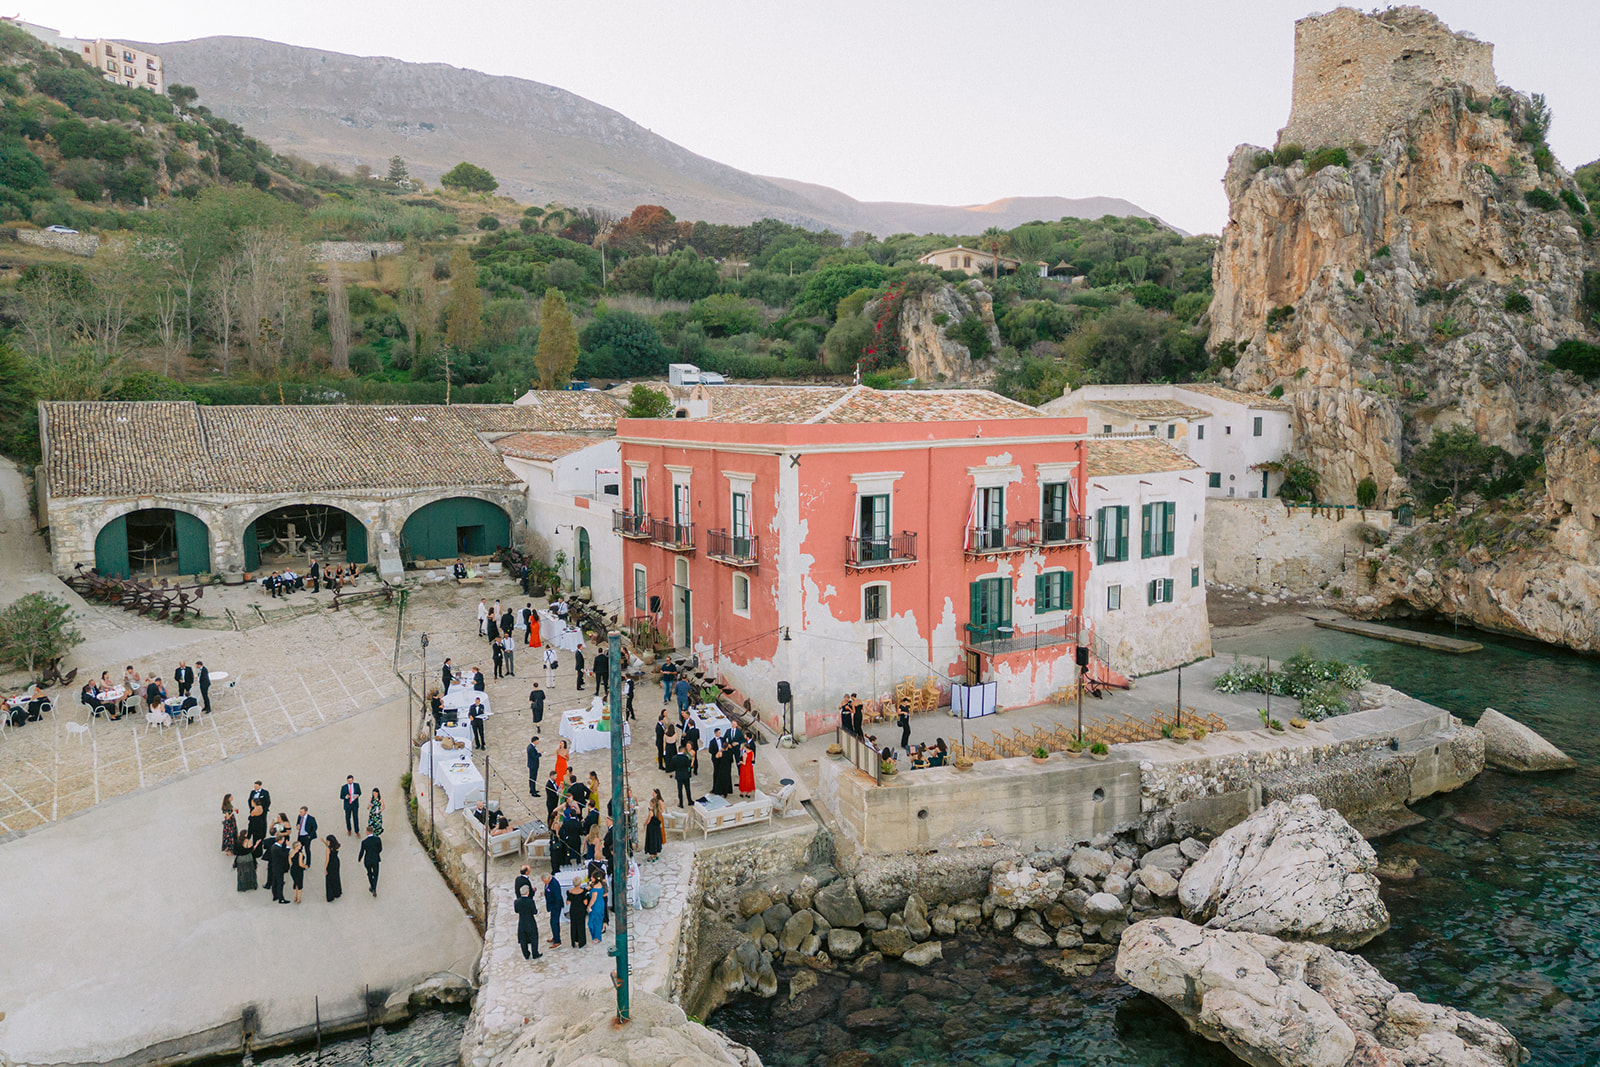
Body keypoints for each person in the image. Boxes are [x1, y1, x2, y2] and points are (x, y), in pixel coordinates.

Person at [515, 883, 542, 960]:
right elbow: (534, 911)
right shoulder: (530, 901)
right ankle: (535, 953)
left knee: (523, 940)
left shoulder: (516, 901)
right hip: (530, 922)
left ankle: (526, 954)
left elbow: (516, 911)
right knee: (534, 938)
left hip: (522, 922)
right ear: (528, 892)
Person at [566, 876, 589, 948]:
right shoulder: (583, 891)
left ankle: (573, 941)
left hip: (573, 909)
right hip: (581, 910)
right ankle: (581, 942)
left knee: (573, 925)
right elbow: (585, 902)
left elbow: (567, 902)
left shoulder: (569, 892)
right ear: (579, 883)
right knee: (581, 926)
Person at [266, 833, 290, 903]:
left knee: (274, 882)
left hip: (275, 867)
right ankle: (281, 898)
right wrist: (287, 847)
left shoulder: (274, 846)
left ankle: (275, 896)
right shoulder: (277, 848)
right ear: (280, 840)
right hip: (279, 868)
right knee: (279, 883)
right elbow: (284, 855)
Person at [358, 829, 383, 896]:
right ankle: (374, 888)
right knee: (376, 874)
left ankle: (372, 886)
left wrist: (359, 858)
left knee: (369, 873)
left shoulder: (364, 842)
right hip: (375, 859)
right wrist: (376, 853)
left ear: (367, 832)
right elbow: (380, 849)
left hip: (367, 860)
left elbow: (362, 851)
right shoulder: (377, 839)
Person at [710, 732, 735, 798]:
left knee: (721, 779)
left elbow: (716, 756)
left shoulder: (721, 753)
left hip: (722, 767)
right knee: (727, 779)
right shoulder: (730, 753)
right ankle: (726, 792)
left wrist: (720, 751)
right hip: (728, 767)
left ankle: (720, 790)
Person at [543, 874, 564, 947]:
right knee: (553, 923)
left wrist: (555, 908)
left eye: (545, 881)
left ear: (549, 878)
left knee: (554, 923)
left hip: (555, 907)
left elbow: (557, 897)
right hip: (552, 906)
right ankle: (555, 937)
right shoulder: (549, 883)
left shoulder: (554, 884)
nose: (545, 883)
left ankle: (557, 940)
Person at [645, 789, 664, 862]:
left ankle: (652, 855)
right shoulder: (657, 810)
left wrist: (645, 823)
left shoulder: (651, 811)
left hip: (651, 827)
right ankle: (656, 853)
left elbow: (649, 819)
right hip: (656, 827)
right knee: (656, 839)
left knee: (651, 840)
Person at [587, 874, 607, 944]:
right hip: (601, 903)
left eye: (592, 877)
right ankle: (596, 936)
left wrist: (589, 906)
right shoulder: (601, 884)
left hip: (596, 906)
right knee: (598, 920)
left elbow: (593, 899)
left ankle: (597, 937)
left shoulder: (595, 888)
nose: (591, 879)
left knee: (594, 922)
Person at [324, 835, 342, 902]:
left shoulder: (328, 849)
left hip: (331, 864)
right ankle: (337, 892)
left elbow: (327, 859)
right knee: (336, 876)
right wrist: (324, 842)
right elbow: (329, 847)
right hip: (336, 862)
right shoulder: (336, 846)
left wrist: (325, 868)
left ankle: (331, 896)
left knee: (329, 879)